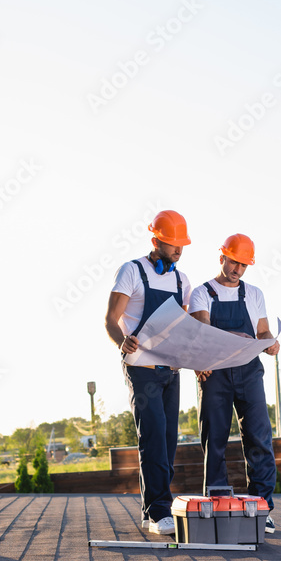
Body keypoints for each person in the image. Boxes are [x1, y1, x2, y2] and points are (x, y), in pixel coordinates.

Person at [105, 210, 192, 535]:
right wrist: (121, 342)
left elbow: (183, 325)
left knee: (168, 441)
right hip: (140, 366)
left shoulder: (182, 281)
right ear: (155, 240)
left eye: (182, 244)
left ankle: (148, 510)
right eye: (172, 244)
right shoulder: (132, 271)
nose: (178, 250)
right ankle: (159, 512)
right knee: (153, 436)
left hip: (170, 368)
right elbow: (111, 320)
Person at [189, 234, 279, 534]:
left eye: (243, 265)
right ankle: (214, 507)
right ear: (221, 257)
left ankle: (261, 507)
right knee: (214, 440)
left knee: (259, 438)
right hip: (214, 373)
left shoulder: (254, 294)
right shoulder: (201, 293)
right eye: (233, 262)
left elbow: (263, 331)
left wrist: (270, 343)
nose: (238, 269)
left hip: (249, 371)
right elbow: (202, 334)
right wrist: (235, 339)